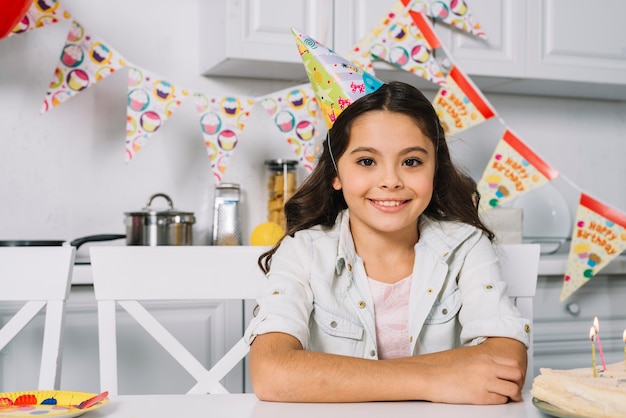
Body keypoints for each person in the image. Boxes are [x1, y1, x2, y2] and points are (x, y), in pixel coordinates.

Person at [244, 81, 530, 404]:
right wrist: (434, 379)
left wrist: (350, 377)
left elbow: (508, 362)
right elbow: (271, 372)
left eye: (411, 162)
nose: (391, 180)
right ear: (336, 174)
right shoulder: (302, 252)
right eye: (367, 161)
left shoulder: (467, 246)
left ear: (435, 170)